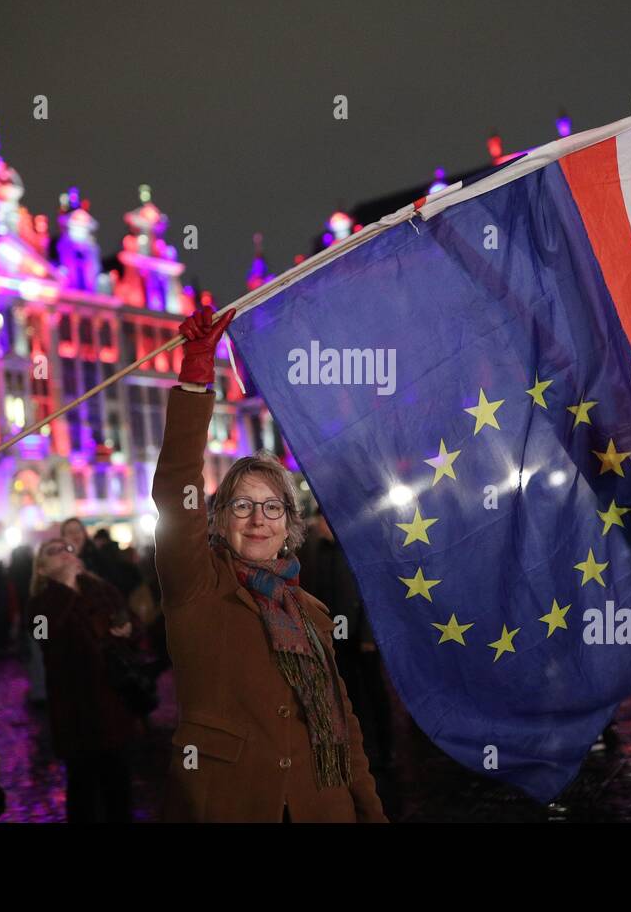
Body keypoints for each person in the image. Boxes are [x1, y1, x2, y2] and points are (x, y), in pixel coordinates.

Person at [153, 306, 386, 823]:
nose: (257, 519)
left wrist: (369, 811)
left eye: (271, 506)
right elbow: (176, 493)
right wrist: (195, 381)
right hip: (226, 805)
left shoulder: (314, 612)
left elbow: (344, 728)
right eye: (241, 505)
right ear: (219, 521)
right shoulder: (197, 586)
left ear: (288, 523)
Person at [28, 537, 141, 822]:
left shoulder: (101, 589)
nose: (65, 553)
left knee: (119, 792)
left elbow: (131, 619)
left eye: (68, 549)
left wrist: (129, 628)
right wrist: (65, 589)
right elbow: (43, 638)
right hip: (75, 711)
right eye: (53, 551)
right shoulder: (40, 604)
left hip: (113, 703)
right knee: (83, 793)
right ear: (41, 569)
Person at [299, 513, 392, 773]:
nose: (319, 526)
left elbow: (371, 596)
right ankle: (356, 747)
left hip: (360, 639)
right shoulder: (314, 549)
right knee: (347, 695)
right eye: (320, 521)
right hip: (334, 639)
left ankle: (384, 748)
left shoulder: (357, 550)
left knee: (374, 693)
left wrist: (368, 636)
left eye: (324, 521)